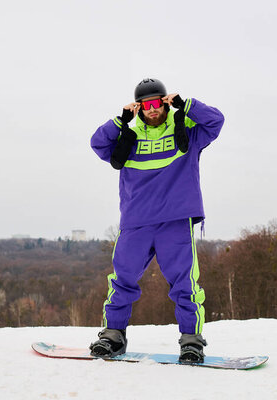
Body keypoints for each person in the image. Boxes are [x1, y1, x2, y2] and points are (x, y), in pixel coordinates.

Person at [89, 78, 224, 363]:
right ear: (138, 108)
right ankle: (113, 336)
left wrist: (186, 105)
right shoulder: (128, 138)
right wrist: (120, 120)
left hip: (174, 220)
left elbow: (215, 121)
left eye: (157, 103)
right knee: (122, 280)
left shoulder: (184, 131)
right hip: (136, 222)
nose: (152, 110)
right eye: (145, 105)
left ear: (165, 102)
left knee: (184, 283)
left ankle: (191, 340)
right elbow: (98, 143)